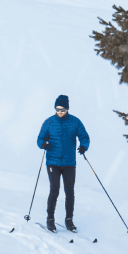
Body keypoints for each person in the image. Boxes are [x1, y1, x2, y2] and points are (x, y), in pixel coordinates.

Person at [36, 94, 89, 232]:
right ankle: (50, 219)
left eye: (62, 109)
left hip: (69, 163)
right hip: (52, 162)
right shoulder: (49, 122)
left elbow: (84, 136)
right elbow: (40, 139)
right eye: (57, 109)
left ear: (67, 109)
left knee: (69, 191)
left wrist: (84, 146)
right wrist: (43, 144)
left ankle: (69, 220)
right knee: (55, 189)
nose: (59, 112)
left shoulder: (75, 122)